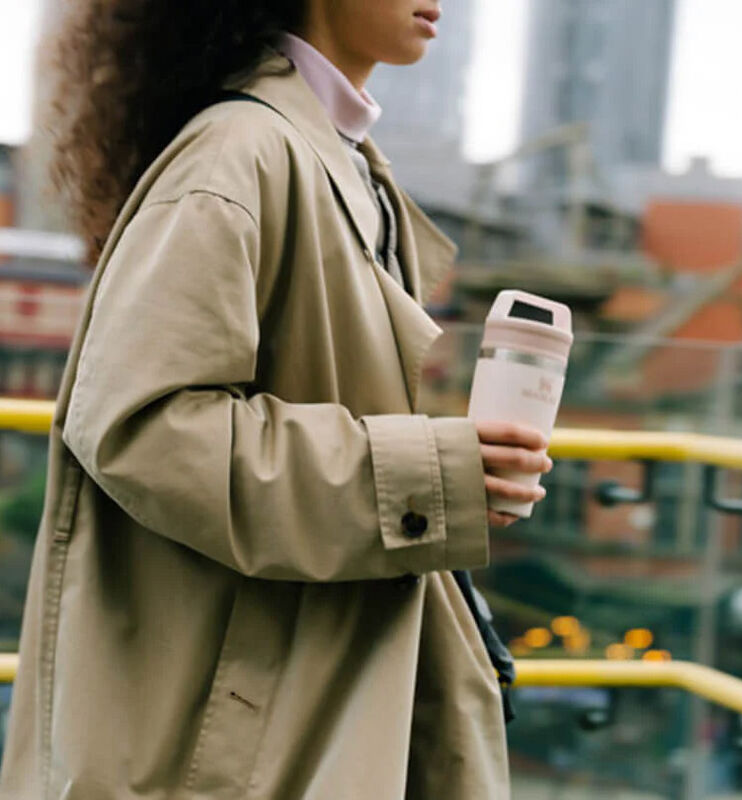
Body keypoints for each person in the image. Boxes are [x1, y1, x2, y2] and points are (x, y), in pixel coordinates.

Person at [0, 1, 553, 798]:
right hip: (239, 740)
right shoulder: (240, 152)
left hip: (297, 705)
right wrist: (425, 476)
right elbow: (143, 426)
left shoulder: (338, 161)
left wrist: (452, 472)